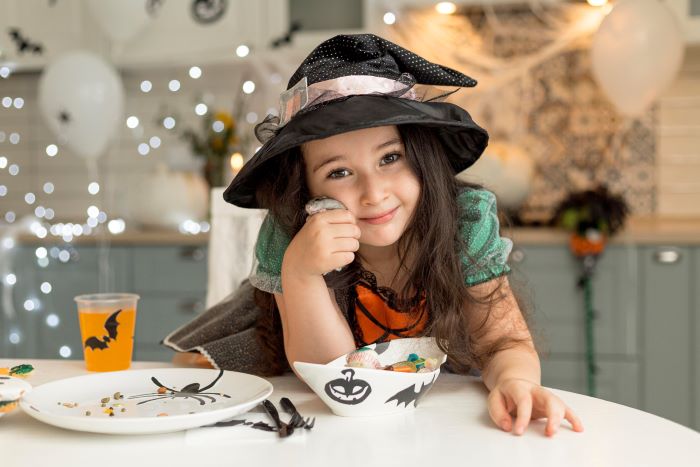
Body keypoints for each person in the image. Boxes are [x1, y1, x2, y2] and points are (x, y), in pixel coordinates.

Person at [170, 34, 584, 437]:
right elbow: (335, 376)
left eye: (390, 158)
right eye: (339, 172)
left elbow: (502, 343)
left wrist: (517, 380)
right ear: (307, 191)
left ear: (422, 157)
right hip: (309, 390)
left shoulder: (463, 222)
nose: (373, 193)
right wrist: (300, 274)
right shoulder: (289, 233)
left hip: (436, 416)